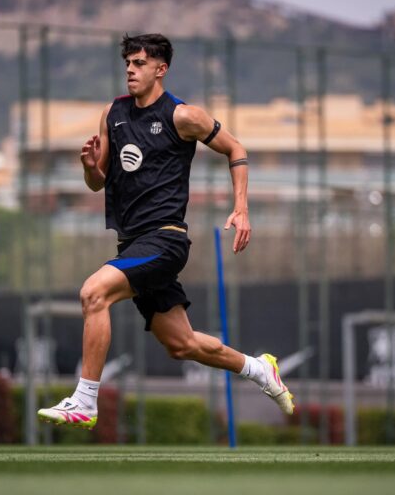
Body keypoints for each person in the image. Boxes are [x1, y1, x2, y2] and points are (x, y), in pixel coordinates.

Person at [38, 33, 293, 430]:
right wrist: (90, 168)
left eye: (139, 64)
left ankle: (85, 401)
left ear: (161, 69)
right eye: (127, 63)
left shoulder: (183, 116)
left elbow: (236, 149)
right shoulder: (114, 113)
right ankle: (259, 369)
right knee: (182, 345)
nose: (130, 70)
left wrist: (241, 208)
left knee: (93, 293)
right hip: (131, 243)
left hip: (166, 239)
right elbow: (97, 184)